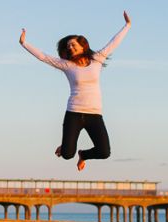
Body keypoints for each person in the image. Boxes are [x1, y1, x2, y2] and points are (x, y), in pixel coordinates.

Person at [19, 12, 131, 171]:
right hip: (74, 113)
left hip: (95, 114)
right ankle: (66, 147)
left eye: (73, 44)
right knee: (66, 154)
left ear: (82, 45)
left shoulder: (97, 59)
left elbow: (113, 43)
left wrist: (127, 26)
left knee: (105, 152)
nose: (70, 47)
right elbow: (43, 57)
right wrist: (24, 43)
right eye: (68, 46)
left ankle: (83, 155)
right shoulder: (67, 65)